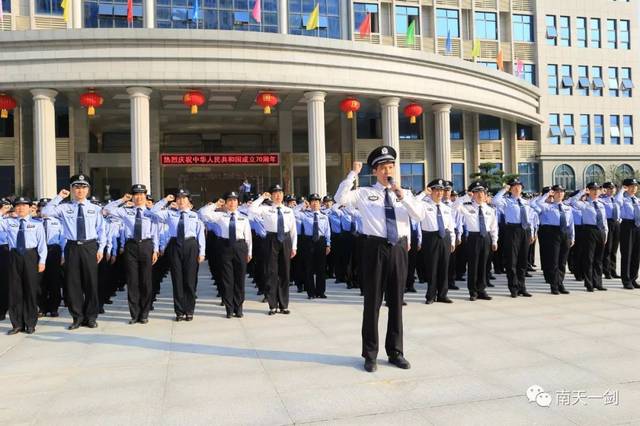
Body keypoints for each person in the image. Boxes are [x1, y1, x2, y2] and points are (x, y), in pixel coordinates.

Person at [335, 145, 422, 373]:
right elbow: (340, 198)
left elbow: (419, 215)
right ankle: (370, 354)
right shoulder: (364, 193)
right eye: (383, 168)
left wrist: (402, 197)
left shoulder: (405, 193)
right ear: (375, 171)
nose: (387, 171)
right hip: (375, 248)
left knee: (396, 303)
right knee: (372, 302)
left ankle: (395, 352)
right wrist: (353, 174)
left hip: (398, 249)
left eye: (391, 166)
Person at [42, 174, 107, 330]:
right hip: (72, 247)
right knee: (73, 284)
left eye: (83, 187)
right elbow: (45, 212)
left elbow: (101, 230)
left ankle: (91, 317)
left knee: (91, 283)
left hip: (90, 246)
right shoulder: (64, 208)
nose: (80, 190)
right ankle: (77, 317)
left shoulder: (95, 208)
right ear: (71, 189)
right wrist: (58, 197)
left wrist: (101, 248)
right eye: (76, 187)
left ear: (88, 190)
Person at [104, 184, 160, 324]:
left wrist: (156, 249)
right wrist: (122, 200)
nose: (139, 197)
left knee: (146, 281)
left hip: (147, 245)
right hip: (131, 246)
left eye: (141, 194)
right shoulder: (125, 211)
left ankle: (144, 313)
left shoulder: (150, 212)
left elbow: (156, 232)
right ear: (132, 197)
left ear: (145, 196)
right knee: (132, 281)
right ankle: (134, 314)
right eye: (136, 195)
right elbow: (107, 209)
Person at [150, 189, 206, 321]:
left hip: (191, 245)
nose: (181, 201)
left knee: (190, 280)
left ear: (189, 201)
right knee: (177, 280)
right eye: (178, 198)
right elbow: (153, 212)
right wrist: (165, 200)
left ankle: (189, 310)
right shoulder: (169, 214)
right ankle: (179, 311)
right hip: (175, 245)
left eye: (184, 198)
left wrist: (202, 252)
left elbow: (200, 234)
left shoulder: (195, 215)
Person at [199, 191, 252, 318]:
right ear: (226, 203)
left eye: (234, 200)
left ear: (238, 203)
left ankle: (238, 308)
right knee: (227, 280)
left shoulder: (243, 218)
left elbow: (248, 236)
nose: (232, 203)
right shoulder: (220, 217)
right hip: (225, 247)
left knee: (239, 279)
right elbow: (202, 213)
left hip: (240, 247)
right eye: (229, 200)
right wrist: (216, 205)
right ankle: (229, 308)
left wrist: (249, 252)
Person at [0, 197, 47, 334]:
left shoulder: (37, 224)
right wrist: (2, 211)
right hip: (14, 256)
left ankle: (30, 323)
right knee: (15, 291)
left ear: (30, 208)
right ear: (14, 208)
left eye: (24, 206)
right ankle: (17, 324)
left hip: (31, 256)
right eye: (18, 206)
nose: (21, 208)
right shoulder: (9, 223)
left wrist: (42, 261)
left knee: (30, 290)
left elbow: (42, 245)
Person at [249, 185, 297, 315]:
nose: (278, 195)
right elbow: (252, 209)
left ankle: (284, 304)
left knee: (285, 273)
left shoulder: (288, 210)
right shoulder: (266, 209)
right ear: (271, 195)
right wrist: (262, 197)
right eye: (275, 193)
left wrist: (294, 246)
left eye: (280, 193)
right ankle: (273, 305)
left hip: (286, 239)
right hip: (271, 239)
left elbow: (293, 230)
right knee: (271, 272)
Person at [452, 181, 498, 300]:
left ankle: (481, 290)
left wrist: (494, 241)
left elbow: (494, 227)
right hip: (473, 238)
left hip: (486, 237)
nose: (480, 195)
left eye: (482, 192)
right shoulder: (467, 207)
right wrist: (466, 196)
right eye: (477, 192)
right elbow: (454, 207)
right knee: (473, 265)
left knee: (484, 265)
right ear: (473, 194)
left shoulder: (489, 209)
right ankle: (473, 291)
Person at [493, 179, 536, 298]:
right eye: (514, 187)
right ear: (511, 189)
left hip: (525, 230)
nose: (517, 189)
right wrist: (504, 189)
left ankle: (522, 287)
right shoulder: (506, 201)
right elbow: (495, 200)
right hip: (512, 230)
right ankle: (513, 287)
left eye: (519, 186)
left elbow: (530, 218)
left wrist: (531, 233)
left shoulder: (526, 202)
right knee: (512, 260)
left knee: (523, 261)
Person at [416, 179, 456, 304]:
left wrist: (453, 241)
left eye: (441, 190)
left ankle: (443, 294)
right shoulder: (424, 205)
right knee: (432, 267)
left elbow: (451, 225)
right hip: (430, 238)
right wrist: (423, 193)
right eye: (436, 190)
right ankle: (430, 295)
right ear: (431, 191)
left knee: (444, 267)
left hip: (445, 237)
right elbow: (413, 203)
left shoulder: (446, 208)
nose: (439, 193)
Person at [532, 185, 574, 294]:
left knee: (562, 261)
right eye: (557, 192)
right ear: (553, 193)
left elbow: (571, 224)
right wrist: (547, 194)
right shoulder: (547, 206)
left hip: (564, 234)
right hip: (553, 234)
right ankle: (554, 285)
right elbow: (537, 203)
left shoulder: (567, 207)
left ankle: (560, 283)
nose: (559, 194)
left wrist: (572, 237)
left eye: (562, 192)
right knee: (554, 261)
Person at [569, 183, 608, 292]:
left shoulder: (601, 204)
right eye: (592, 190)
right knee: (589, 259)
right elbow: (572, 201)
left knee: (598, 259)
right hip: (589, 231)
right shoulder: (585, 204)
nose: (595, 192)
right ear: (589, 191)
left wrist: (605, 234)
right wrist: (582, 192)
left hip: (600, 231)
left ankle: (598, 282)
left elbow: (604, 221)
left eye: (597, 190)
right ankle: (589, 283)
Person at [296, 193, 331, 299]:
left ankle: (321, 291)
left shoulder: (324, 217)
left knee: (321, 269)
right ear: (310, 203)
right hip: (308, 241)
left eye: (317, 201)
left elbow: (327, 231)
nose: (315, 203)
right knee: (309, 268)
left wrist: (328, 244)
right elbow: (293, 212)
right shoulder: (304, 215)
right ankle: (311, 292)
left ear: (320, 203)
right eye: (313, 201)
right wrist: (302, 205)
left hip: (321, 242)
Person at [35, 198, 65, 317]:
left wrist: (63, 254)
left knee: (54, 280)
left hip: (54, 251)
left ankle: (54, 307)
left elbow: (63, 239)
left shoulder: (58, 222)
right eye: (42, 206)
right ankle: (42, 307)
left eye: (46, 206)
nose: (44, 209)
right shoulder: (35, 222)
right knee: (40, 281)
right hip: (38, 251)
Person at [614, 178, 640, 289]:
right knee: (627, 253)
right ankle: (626, 280)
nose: (634, 188)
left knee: (636, 254)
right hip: (627, 226)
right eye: (631, 186)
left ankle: (634, 278)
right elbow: (617, 202)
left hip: (638, 226)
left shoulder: (637, 200)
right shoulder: (623, 199)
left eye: (635, 186)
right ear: (626, 187)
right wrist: (621, 191)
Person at [600, 182, 621, 279]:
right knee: (608, 248)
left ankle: (613, 270)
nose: (611, 190)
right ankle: (606, 271)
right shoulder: (602, 200)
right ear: (605, 189)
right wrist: (601, 193)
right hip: (607, 223)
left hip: (616, 223)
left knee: (614, 249)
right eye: (609, 188)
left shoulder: (617, 200)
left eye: (613, 188)